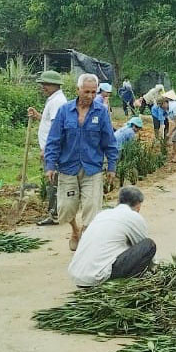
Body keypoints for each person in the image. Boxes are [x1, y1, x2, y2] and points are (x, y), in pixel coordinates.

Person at [44, 73, 120, 251]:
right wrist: (50, 165)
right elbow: (54, 140)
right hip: (68, 167)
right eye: (86, 91)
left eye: (94, 92)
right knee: (66, 207)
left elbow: (109, 141)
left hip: (92, 168)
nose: (90, 96)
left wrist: (111, 166)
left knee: (92, 206)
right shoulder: (64, 111)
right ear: (78, 90)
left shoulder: (101, 112)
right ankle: (75, 230)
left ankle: (85, 236)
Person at [67, 186, 156, 287]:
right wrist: (156, 270)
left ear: (118, 201)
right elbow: (145, 250)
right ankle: (126, 286)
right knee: (149, 245)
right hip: (97, 278)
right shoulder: (133, 216)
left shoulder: (102, 214)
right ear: (138, 206)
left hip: (77, 276)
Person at [29, 70, 68, 227]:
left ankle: (55, 214)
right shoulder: (54, 100)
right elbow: (50, 122)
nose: (43, 87)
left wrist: (46, 149)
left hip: (53, 150)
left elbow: (56, 128)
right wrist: (38, 116)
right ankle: (56, 212)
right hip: (52, 149)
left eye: (45, 84)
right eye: (42, 84)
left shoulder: (57, 101)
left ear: (54, 85)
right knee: (54, 180)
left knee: (53, 181)